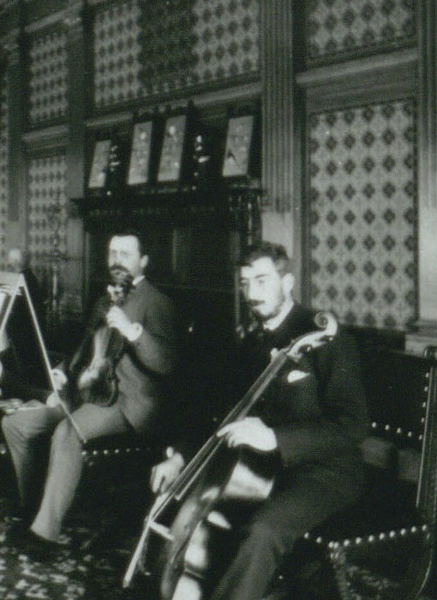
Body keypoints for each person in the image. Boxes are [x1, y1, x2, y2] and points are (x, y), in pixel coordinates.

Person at [148, 241, 368, 600]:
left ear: (288, 282)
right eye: (245, 282)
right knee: (204, 515)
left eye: (262, 281)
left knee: (262, 531)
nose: (251, 293)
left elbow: (354, 425)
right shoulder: (250, 340)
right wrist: (180, 457)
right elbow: (220, 413)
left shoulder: (325, 338)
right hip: (254, 470)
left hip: (323, 473)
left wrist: (276, 438)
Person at [1, 231, 177, 556]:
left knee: (68, 430)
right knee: (15, 426)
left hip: (128, 404)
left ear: (144, 261)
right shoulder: (103, 299)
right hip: (88, 394)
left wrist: (133, 331)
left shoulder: (157, 302)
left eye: (126, 253)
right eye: (112, 253)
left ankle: (44, 535)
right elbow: (86, 349)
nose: (117, 260)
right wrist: (63, 370)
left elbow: (166, 363)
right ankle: (35, 510)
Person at [7, 247, 45, 325]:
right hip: (25, 319)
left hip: (25, 323)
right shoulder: (27, 276)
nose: (8, 263)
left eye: (9, 259)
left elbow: (19, 307)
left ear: (15, 262)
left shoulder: (24, 279)